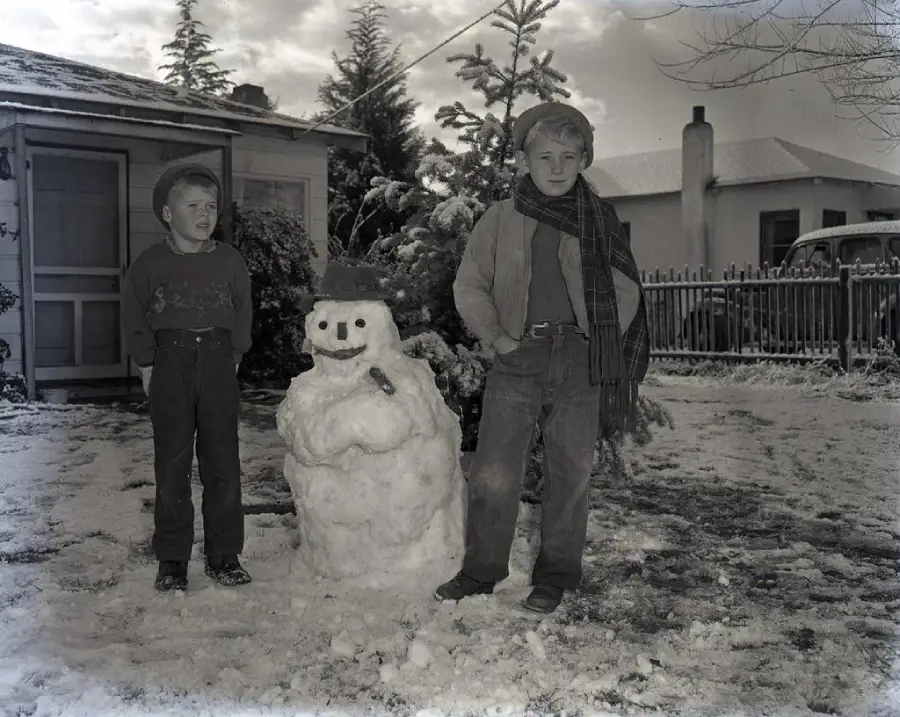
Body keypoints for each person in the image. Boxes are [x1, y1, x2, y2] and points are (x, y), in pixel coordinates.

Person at [434, 102, 650, 614]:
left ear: (583, 161)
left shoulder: (598, 222)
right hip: (518, 354)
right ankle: (481, 570)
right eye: (545, 155)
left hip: (579, 359)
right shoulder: (499, 219)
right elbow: (470, 286)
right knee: (493, 470)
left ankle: (554, 577)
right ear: (524, 159)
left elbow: (626, 290)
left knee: (571, 472)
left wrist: (597, 340)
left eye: (569, 156)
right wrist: (499, 340)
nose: (557, 167)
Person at [122, 163, 253, 591]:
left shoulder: (229, 261)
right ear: (166, 213)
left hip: (217, 359)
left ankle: (224, 555)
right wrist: (146, 362)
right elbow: (133, 313)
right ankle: (173, 560)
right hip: (170, 362)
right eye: (192, 206)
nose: (204, 214)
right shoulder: (149, 263)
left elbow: (241, 310)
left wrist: (233, 354)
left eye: (211, 206)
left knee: (222, 463)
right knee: (173, 465)